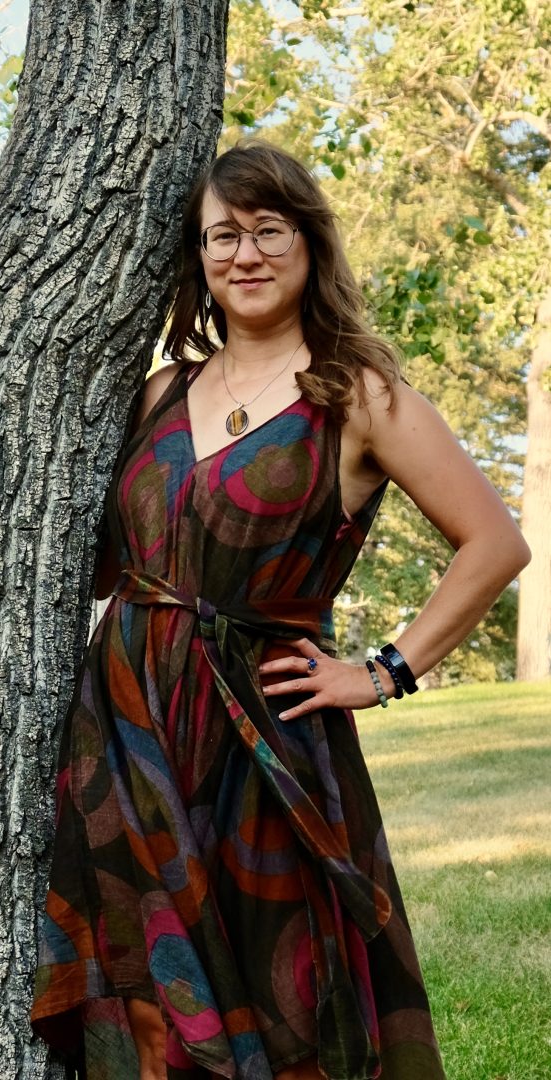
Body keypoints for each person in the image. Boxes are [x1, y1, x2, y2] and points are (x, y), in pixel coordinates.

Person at [31, 141, 530, 1079]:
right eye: (224, 235)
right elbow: (106, 566)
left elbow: (496, 545)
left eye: (269, 230)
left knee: (276, 985)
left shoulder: (358, 394)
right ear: (198, 255)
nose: (245, 254)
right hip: (126, 731)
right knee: (144, 994)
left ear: (308, 245)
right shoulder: (157, 394)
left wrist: (382, 673)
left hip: (260, 736)